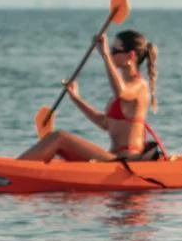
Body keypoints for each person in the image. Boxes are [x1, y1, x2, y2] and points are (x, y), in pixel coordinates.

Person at [19, 29, 163, 162]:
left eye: (114, 50)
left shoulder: (139, 86)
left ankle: (14, 171)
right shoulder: (124, 87)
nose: (111, 53)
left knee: (59, 137)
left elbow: (121, 91)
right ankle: (18, 169)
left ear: (130, 56)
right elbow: (105, 123)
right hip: (113, 158)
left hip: (127, 161)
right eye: (110, 50)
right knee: (58, 150)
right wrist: (76, 99)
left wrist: (105, 55)